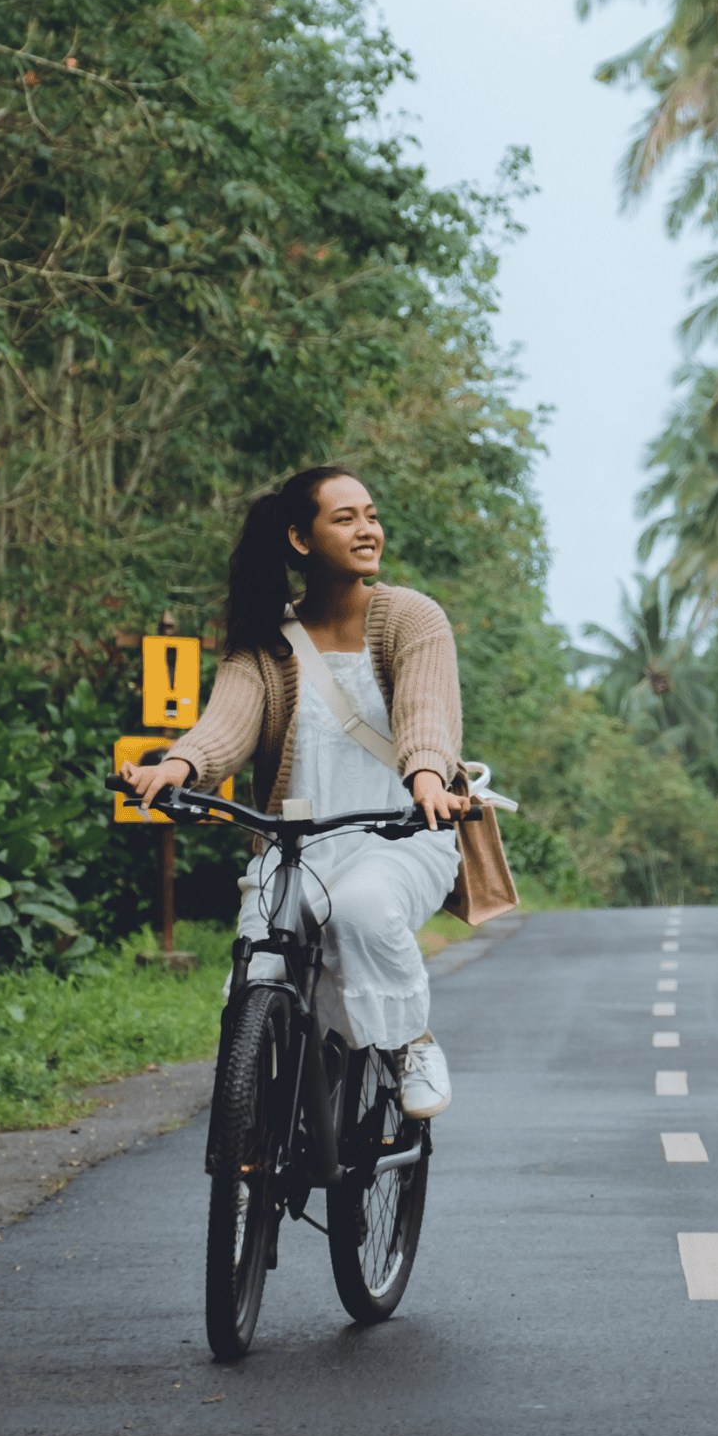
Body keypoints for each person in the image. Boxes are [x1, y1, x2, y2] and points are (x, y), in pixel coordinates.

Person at [121, 466, 473, 1120]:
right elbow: (223, 724)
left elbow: (428, 714)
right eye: (345, 518)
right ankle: (254, 1151)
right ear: (300, 539)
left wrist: (427, 778)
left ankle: (408, 1042)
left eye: (370, 514)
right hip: (296, 851)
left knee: (361, 909)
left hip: (399, 837)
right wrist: (173, 769)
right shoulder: (265, 639)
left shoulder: (410, 618)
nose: (367, 529)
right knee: (258, 975)